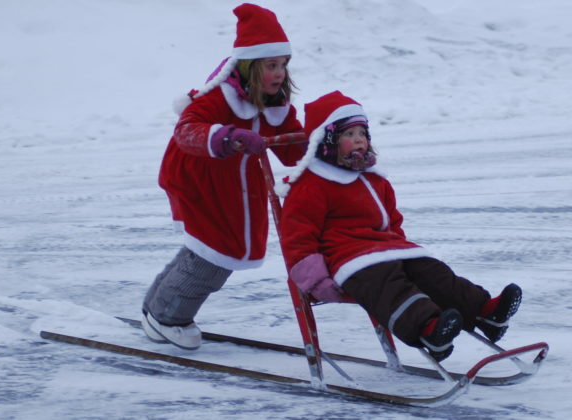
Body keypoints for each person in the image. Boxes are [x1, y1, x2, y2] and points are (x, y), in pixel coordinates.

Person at [279, 91, 522, 361]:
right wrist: (316, 280)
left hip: (386, 248)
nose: (359, 139)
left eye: (363, 132)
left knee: (432, 272)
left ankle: (485, 312)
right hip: (347, 261)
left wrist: (404, 251)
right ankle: (428, 328)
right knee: (386, 284)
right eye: (349, 134)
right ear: (327, 140)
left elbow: (391, 220)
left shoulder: (374, 180)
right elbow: (297, 237)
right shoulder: (311, 185)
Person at [141, 3, 306, 350]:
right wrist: (226, 136)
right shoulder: (218, 96)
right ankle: (167, 316)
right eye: (270, 65)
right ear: (249, 66)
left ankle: (157, 305)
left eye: (282, 65)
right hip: (199, 178)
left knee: (212, 247)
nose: (279, 73)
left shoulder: (274, 102)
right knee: (216, 251)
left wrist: (332, 142)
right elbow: (187, 130)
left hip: (235, 185)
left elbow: (293, 149)